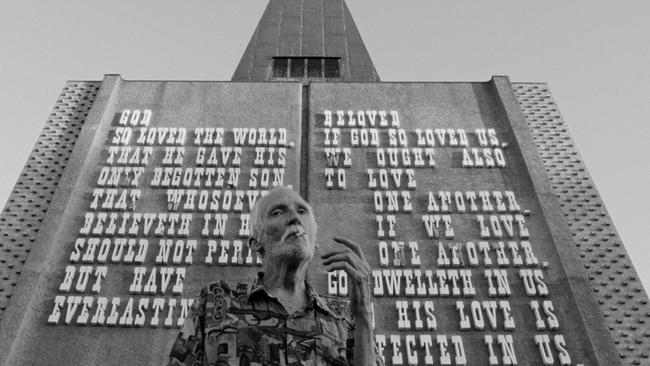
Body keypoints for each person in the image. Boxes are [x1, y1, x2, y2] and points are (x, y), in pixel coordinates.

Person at [168, 187, 383, 366]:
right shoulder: (216, 302)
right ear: (255, 243)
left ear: (315, 240)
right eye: (277, 212)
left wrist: (363, 314)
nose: (295, 218)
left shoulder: (347, 318)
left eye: (302, 211)